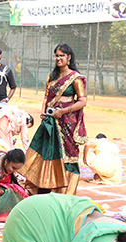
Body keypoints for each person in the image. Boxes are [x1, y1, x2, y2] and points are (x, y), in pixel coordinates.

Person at [23, 44, 88, 195]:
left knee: (67, 156)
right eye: (56, 55)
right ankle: (41, 187)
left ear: (69, 57)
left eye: (62, 56)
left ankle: (65, 192)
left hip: (66, 124)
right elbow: (46, 96)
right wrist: (43, 112)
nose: (58, 58)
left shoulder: (76, 78)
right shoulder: (51, 76)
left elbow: (82, 101)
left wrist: (64, 111)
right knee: (44, 151)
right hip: (50, 123)